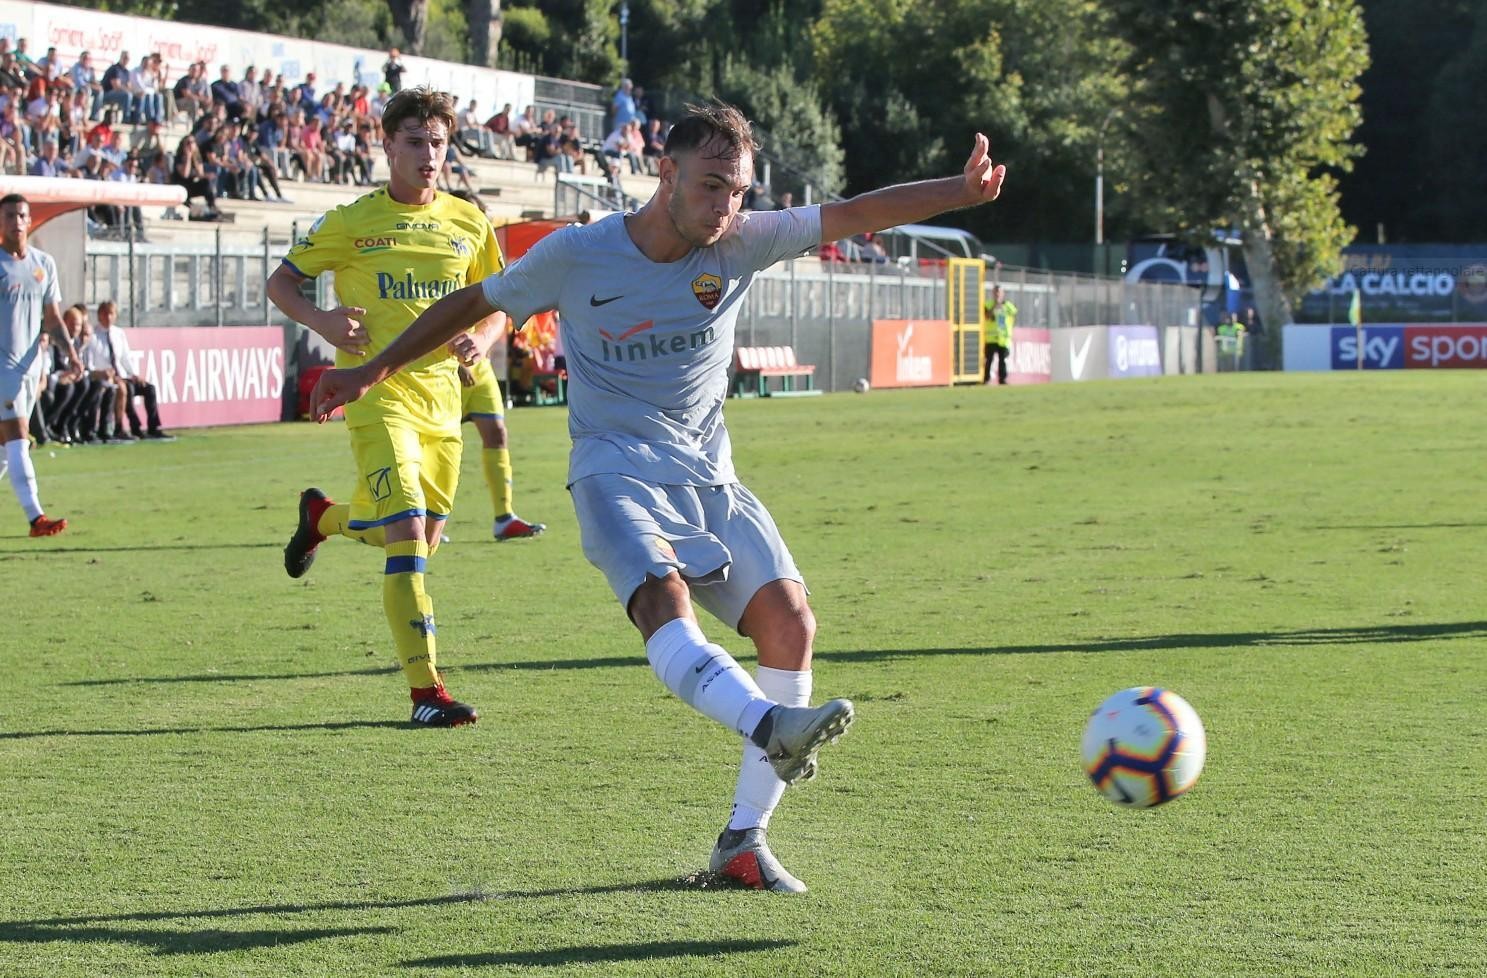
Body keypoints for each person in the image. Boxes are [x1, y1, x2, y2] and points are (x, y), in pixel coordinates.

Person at [311, 101, 1007, 891]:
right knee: (661, 601)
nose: (726, 207)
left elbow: (856, 212)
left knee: (791, 625)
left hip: (711, 477)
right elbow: (474, 303)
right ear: (665, 173)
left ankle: (743, 842)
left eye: (738, 191)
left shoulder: (744, 241)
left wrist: (959, 190)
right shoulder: (578, 255)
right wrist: (371, 370)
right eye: (711, 186)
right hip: (612, 470)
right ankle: (768, 725)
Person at [267, 87, 509, 728]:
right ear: (386, 144)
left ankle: (324, 518)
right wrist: (323, 321)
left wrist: (478, 338)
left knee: (421, 541)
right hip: (377, 400)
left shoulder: (469, 221)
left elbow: (502, 303)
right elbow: (281, 281)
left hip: (443, 405)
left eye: (438, 143)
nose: (429, 155)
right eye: (415, 142)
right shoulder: (352, 221)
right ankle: (425, 693)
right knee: (406, 539)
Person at [449, 189, 547, 541]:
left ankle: (504, 517)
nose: (484, 224)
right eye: (478, 216)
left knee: (497, 433)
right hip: (443, 367)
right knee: (437, 443)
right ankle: (427, 520)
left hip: (479, 365)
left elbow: (497, 313)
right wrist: (451, 354)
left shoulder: (487, 261)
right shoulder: (445, 257)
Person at [0, 193, 75, 535]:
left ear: (30, 221)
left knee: (5, 449)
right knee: (19, 438)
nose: (16, 221)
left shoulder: (44, 264)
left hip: (31, 368)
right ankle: (36, 518)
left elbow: (54, 318)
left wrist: (71, 353)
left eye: (21, 215)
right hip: (3, 369)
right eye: (9, 216)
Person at [94, 300, 169, 440]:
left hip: (122, 375)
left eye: (111, 313)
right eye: (105, 314)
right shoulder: (93, 335)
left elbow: (125, 358)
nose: (108, 317)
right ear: (99, 315)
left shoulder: (119, 334)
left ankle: (154, 427)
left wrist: (134, 374)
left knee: (149, 388)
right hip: (108, 377)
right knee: (127, 389)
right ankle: (130, 427)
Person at [983, 284, 1016, 385]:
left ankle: (1002, 379)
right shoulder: (988, 304)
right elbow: (987, 316)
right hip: (991, 338)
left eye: (999, 292)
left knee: (1003, 360)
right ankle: (986, 379)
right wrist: (995, 306)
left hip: (1004, 338)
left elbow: (1014, 315)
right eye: (995, 292)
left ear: (1003, 294)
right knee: (989, 360)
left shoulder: (1008, 306)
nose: (997, 294)